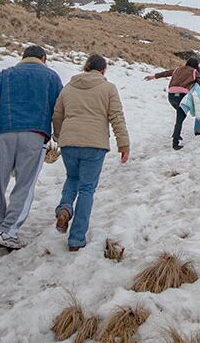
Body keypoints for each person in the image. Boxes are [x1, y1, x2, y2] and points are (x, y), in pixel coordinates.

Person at [0, 45, 63, 250]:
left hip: (6, 132)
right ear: (43, 58)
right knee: (25, 184)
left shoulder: (7, 74)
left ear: (22, 57)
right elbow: (59, 109)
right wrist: (58, 135)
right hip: (35, 134)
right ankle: (8, 231)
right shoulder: (51, 77)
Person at [51, 54, 130, 251]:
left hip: (69, 142)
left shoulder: (69, 87)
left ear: (86, 67)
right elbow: (116, 117)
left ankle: (65, 209)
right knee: (86, 188)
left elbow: (57, 114)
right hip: (94, 143)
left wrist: (60, 136)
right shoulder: (108, 88)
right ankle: (76, 238)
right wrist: (124, 144)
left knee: (72, 178)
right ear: (103, 70)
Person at [144, 57, 200, 150]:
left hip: (171, 96)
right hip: (182, 97)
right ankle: (175, 142)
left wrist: (153, 76)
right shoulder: (194, 72)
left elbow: (166, 73)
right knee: (180, 119)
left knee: (179, 116)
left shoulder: (178, 69)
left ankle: (176, 134)